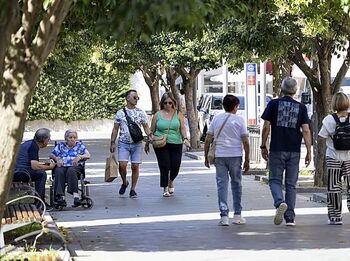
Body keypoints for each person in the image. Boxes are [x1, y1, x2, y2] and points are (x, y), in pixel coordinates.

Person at [260, 77, 312, 226]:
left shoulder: (273, 104)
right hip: (294, 150)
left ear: (281, 90)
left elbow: (266, 126)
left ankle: (279, 202)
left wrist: (263, 145)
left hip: (277, 148)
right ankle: (290, 218)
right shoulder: (301, 107)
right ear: (295, 91)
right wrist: (309, 151)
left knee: (274, 180)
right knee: (291, 184)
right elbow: (306, 130)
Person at [204, 94, 250, 226]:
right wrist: (247, 158)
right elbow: (245, 141)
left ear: (223, 105)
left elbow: (208, 139)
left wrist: (206, 155)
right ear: (235, 106)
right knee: (236, 184)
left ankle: (224, 216)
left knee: (221, 185)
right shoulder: (240, 120)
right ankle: (237, 215)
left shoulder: (216, 119)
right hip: (235, 155)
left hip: (220, 155)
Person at [145, 92, 190, 197]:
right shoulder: (157, 115)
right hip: (161, 143)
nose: (168, 105)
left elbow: (182, 128)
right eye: (165, 103)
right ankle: (165, 188)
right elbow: (152, 130)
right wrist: (147, 142)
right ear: (162, 103)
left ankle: (171, 180)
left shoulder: (178, 114)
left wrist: (185, 138)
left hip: (176, 142)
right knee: (165, 165)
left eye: (170, 103)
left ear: (173, 103)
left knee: (175, 166)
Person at [110, 89, 152, 198]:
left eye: (137, 97)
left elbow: (146, 127)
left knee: (135, 166)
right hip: (123, 143)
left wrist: (149, 136)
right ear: (127, 98)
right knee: (122, 165)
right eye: (134, 97)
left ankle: (133, 189)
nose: (136, 99)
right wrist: (112, 142)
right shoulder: (120, 113)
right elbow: (115, 129)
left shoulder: (140, 112)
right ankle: (124, 182)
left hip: (137, 143)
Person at [318, 92, 350, 225]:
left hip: (333, 157)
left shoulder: (329, 120)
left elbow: (321, 136)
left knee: (334, 187)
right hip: (349, 158)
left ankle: (335, 217)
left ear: (334, 104)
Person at [50, 129, 90, 207]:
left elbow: (88, 155)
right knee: (58, 171)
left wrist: (80, 157)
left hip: (75, 167)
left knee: (71, 170)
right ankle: (61, 197)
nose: (72, 139)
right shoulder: (60, 146)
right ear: (66, 138)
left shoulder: (79, 145)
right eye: (70, 137)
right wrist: (57, 159)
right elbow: (52, 155)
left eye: (74, 137)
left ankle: (76, 196)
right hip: (62, 166)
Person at [13, 128, 56, 201]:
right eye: (48, 139)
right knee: (41, 174)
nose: (49, 140)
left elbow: (32, 162)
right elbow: (35, 166)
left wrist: (45, 164)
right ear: (44, 140)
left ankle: (39, 201)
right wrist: (50, 167)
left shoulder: (30, 143)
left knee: (40, 172)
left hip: (17, 170)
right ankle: (40, 202)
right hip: (20, 172)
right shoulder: (33, 146)